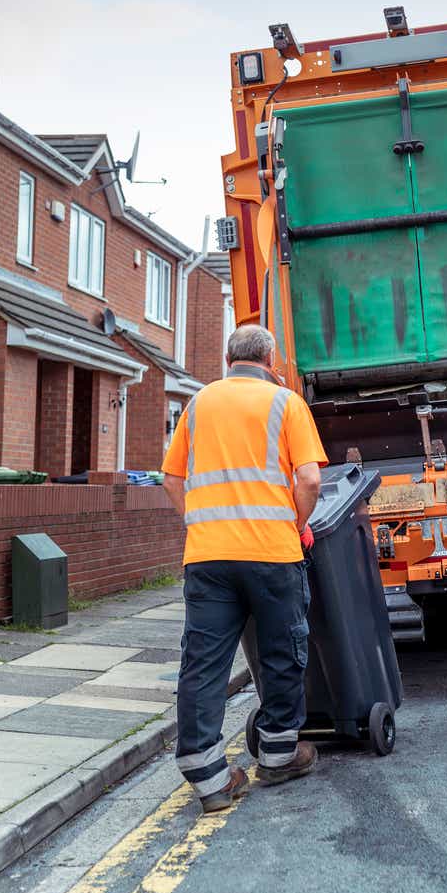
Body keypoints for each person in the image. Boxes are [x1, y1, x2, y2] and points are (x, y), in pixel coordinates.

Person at [162, 325, 328, 812]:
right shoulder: (285, 402)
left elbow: (172, 478)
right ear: (271, 358)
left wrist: (200, 523)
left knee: (204, 663)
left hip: (208, 557)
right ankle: (278, 757)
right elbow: (311, 480)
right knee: (281, 650)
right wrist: (295, 524)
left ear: (227, 358)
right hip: (272, 553)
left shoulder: (198, 404)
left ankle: (208, 778)